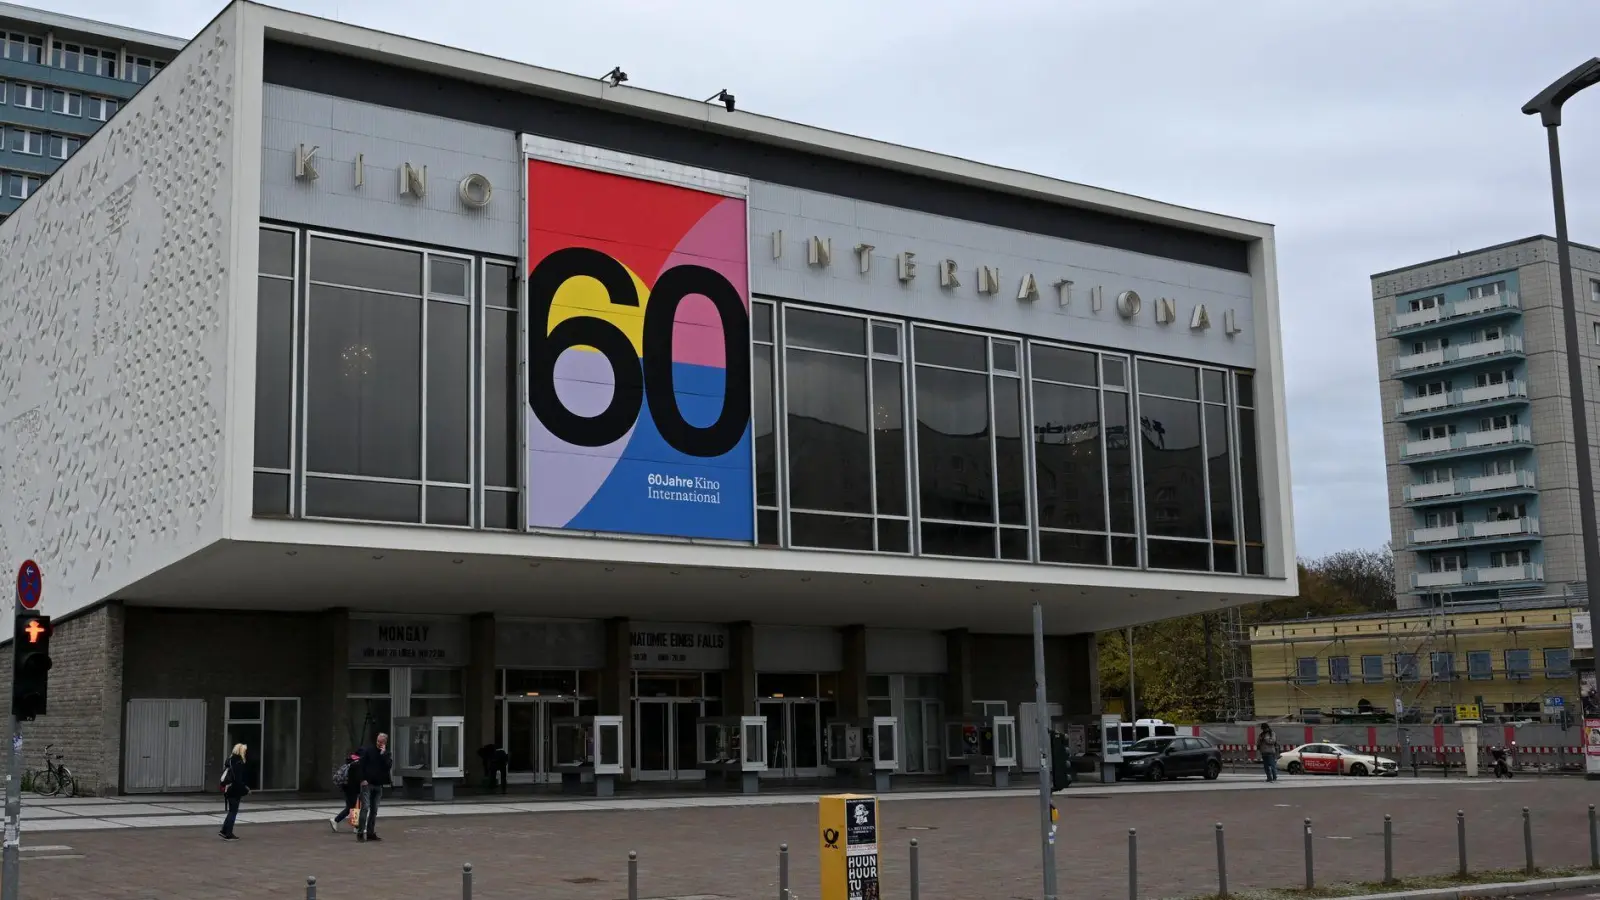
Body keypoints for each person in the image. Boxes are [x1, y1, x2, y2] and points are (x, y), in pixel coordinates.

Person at [357, 732, 393, 842]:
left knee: (374, 810)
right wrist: (362, 779)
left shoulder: (386, 754)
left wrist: (383, 754)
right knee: (365, 807)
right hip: (367, 784)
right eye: (378, 741)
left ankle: (370, 833)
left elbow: (388, 767)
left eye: (381, 742)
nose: (379, 743)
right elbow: (361, 765)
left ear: (385, 743)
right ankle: (360, 832)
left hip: (378, 785)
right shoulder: (368, 751)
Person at [219, 743, 250, 841]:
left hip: (228, 789)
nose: (245, 753)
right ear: (241, 751)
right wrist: (245, 790)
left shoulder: (230, 760)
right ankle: (228, 833)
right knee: (233, 812)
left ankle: (224, 831)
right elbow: (238, 780)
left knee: (231, 811)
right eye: (244, 751)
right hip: (234, 790)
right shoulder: (239, 763)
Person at [330, 750, 362, 832]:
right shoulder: (357, 764)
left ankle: (356, 827)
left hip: (347, 788)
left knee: (352, 807)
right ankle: (336, 820)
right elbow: (356, 778)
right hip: (353, 789)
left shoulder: (350, 762)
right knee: (352, 807)